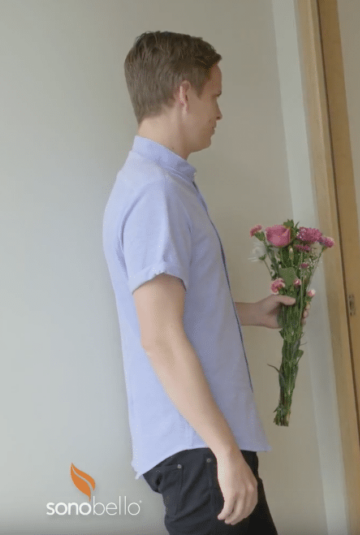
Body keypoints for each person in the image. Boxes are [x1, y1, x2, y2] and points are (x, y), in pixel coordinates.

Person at [103, 31, 303, 535]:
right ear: (184, 93)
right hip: (199, 451)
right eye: (215, 96)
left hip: (204, 446)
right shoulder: (155, 195)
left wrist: (252, 312)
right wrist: (224, 451)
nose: (219, 112)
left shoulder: (165, 186)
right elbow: (160, 338)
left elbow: (178, 310)